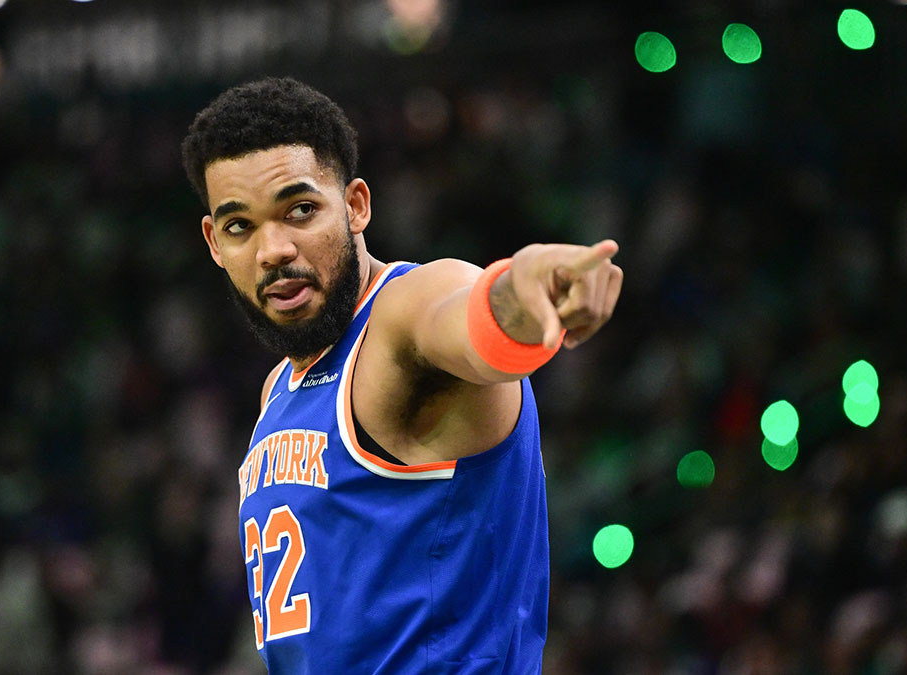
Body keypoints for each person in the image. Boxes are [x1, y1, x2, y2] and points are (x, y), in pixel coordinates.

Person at [181, 76, 623, 674]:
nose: (273, 249)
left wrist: (529, 283)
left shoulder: (403, 313)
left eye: (301, 210)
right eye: (241, 227)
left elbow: (473, 318)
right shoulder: (278, 389)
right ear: (213, 241)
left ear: (357, 204)